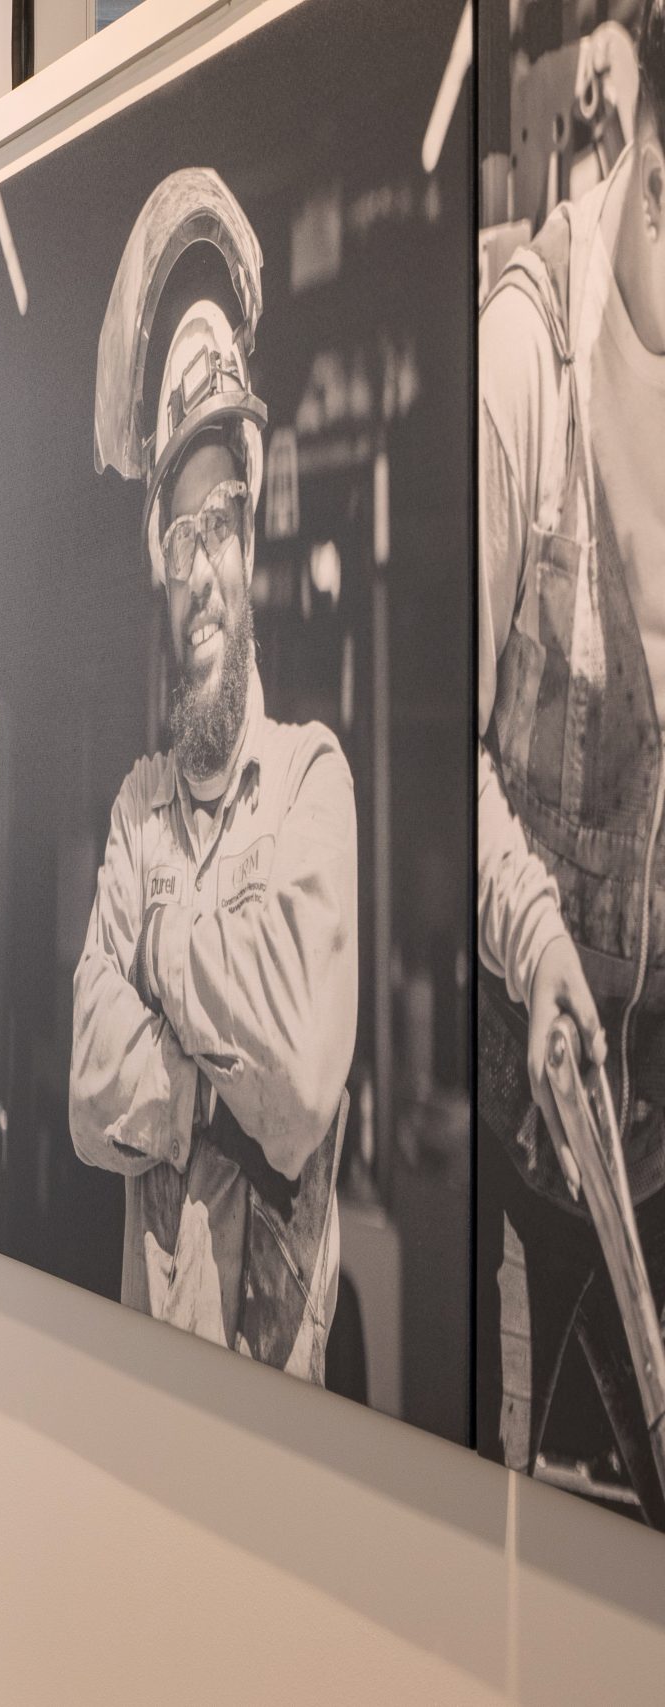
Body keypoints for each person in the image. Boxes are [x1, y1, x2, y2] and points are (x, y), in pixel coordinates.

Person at [65, 169, 360, 1374]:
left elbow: (292, 1087)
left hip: (289, 1404)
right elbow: (89, 1089)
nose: (204, 570)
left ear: (253, 543)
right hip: (151, 1380)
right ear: (157, 559)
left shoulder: (310, 782)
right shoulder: (137, 806)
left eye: (224, 526)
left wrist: (163, 947)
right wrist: (206, 1093)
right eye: (182, 534)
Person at [477, 0, 665, 1523]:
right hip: (536, 1108)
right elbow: (451, 757)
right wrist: (537, 940)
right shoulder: (522, 361)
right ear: (652, 177)